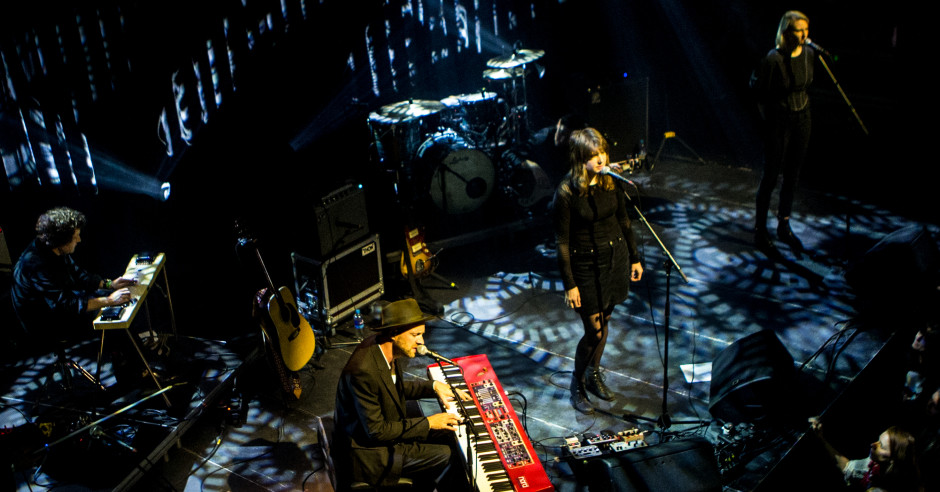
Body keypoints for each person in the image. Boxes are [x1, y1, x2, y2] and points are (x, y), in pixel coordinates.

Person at [332, 298, 470, 491]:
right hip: (369, 454)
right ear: (394, 333)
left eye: (422, 334)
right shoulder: (364, 370)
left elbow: (394, 387)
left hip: (381, 433)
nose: (421, 341)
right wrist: (429, 422)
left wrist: (433, 386)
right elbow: (377, 431)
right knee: (446, 454)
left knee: (451, 435)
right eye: (415, 335)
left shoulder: (384, 350)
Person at [553, 128, 643, 414]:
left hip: (614, 259)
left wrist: (634, 258)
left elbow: (624, 220)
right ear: (581, 159)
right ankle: (577, 383)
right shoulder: (567, 191)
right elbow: (563, 242)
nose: (601, 159)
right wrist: (570, 284)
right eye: (594, 155)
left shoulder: (610, 181)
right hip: (585, 266)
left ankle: (594, 374)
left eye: (602, 152)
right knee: (593, 330)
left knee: (605, 320)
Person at [10, 207, 137, 347]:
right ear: (62, 240)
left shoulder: (54, 247)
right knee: (110, 314)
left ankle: (129, 352)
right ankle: (128, 360)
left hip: (59, 306)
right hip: (44, 324)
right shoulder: (36, 265)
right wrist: (109, 300)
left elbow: (78, 274)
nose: (79, 239)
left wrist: (109, 285)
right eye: (75, 236)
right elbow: (65, 306)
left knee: (114, 299)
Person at [753, 10, 814, 255]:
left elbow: (807, 84)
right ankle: (760, 230)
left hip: (802, 117)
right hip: (779, 121)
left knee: (793, 175)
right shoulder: (773, 59)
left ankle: (784, 224)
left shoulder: (809, 54)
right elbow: (759, 93)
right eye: (799, 30)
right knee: (771, 176)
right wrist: (769, 121)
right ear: (786, 33)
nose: (804, 35)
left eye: (806, 30)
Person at [812, 420, 923, 491]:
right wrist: (821, 438)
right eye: (878, 440)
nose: (873, 445)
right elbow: (849, 468)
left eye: (881, 446)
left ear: (892, 461)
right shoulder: (875, 466)